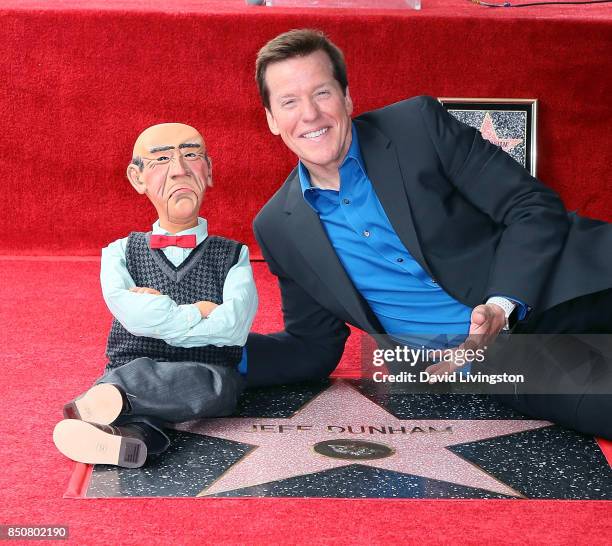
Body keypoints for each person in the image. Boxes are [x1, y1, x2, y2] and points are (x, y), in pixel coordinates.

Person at [245, 29, 612, 438]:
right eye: (289, 102)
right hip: (502, 361)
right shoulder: (278, 225)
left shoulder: (416, 126)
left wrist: (501, 304)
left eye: (322, 93)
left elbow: (530, 206)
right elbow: (310, 346)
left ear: (347, 98)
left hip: (569, 279)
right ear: (272, 120)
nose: (310, 115)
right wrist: (217, 352)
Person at [53, 123, 258, 467]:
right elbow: (135, 317)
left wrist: (159, 310)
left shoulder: (234, 255)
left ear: (208, 170)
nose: (179, 170)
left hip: (205, 373)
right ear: (137, 178)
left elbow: (233, 329)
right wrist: (199, 311)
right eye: (162, 159)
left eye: (191, 155)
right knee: (144, 400)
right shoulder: (118, 252)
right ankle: (129, 439)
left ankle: (113, 400)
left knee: (211, 386)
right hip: (133, 364)